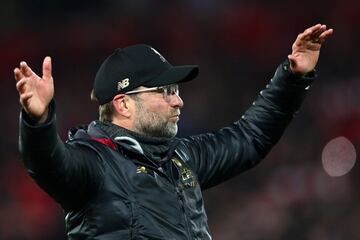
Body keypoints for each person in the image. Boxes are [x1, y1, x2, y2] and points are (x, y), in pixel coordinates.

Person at [14, 24, 333, 240]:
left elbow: (249, 138)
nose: (179, 100)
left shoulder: (180, 158)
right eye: (165, 91)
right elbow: (49, 165)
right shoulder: (93, 162)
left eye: (176, 90)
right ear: (124, 104)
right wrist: (37, 121)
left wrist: (293, 77)